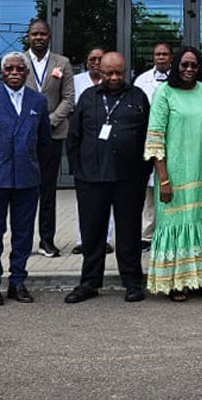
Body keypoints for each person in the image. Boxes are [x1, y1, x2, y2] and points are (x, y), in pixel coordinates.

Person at [63, 52, 152, 304]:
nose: (114, 78)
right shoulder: (88, 98)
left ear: (125, 71)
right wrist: (78, 172)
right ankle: (89, 282)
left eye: (119, 73)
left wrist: (142, 173)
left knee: (129, 233)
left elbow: (148, 137)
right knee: (93, 233)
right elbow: (74, 137)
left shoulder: (137, 97)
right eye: (108, 73)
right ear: (99, 72)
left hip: (129, 179)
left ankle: (132, 282)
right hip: (91, 178)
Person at [0, 53, 52, 306]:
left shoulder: (38, 100)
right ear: (2, 72)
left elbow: (44, 142)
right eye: (9, 68)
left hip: (27, 180)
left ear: (27, 73)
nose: (14, 72)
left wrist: (37, 171)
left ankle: (17, 282)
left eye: (19, 68)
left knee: (23, 235)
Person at [144, 47, 202, 301]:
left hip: (201, 171)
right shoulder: (163, 93)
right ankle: (177, 282)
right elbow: (155, 138)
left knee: (200, 221)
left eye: (194, 66)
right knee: (174, 225)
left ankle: (200, 279)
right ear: (176, 65)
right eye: (184, 65)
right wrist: (163, 179)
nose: (189, 70)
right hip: (173, 174)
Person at [18, 20, 77, 258]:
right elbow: (13, 95)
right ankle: (22, 241)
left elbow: (69, 98)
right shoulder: (18, 62)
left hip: (52, 135)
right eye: (34, 34)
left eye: (42, 34)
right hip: (23, 136)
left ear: (49, 36)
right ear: (28, 36)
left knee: (48, 191)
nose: (39, 37)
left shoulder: (61, 63)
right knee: (23, 190)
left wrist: (50, 120)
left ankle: (47, 240)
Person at [68, 45, 116, 255]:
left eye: (100, 59)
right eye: (92, 59)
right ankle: (83, 239)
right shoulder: (77, 82)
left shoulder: (114, 83)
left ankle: (106, 239)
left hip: (109, 146)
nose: (96, 62)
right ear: (87, 62)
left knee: (109, 197)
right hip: (86, 144)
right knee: (86, 199)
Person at [133, 42, 174, 250]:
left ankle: (170, 233)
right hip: (149, 141)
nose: (161, 57)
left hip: (175, 142)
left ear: (171, 57)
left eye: (165, 54)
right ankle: (148, 235)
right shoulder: (141, 81)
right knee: (150, 191)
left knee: (171, 187)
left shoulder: (179, 79)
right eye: (157, 54)